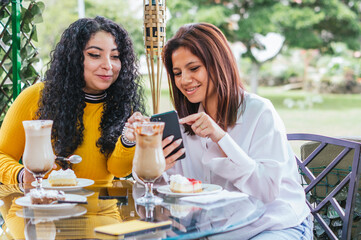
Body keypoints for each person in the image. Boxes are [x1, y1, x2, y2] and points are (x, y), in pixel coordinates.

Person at [159, 22, 313, 239]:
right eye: (177, 73)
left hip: (274, 226)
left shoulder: (259, 111)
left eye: (194, 68)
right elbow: (173, 190)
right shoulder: (185, 125)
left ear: (217, 64)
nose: (184, 80)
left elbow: (267, 189)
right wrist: (155, 163)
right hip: (221, 232)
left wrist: (220, 138)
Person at [0, 16, 146, 184]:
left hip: (102, 208)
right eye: (95, 55)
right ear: (74, 57)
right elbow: (2, 154)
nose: (108, 65)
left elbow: (118, 170)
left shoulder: (120, 103)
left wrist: (128, 141)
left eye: (115, 56)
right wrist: (20, 175)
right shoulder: (36, 96)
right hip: (48, 206)